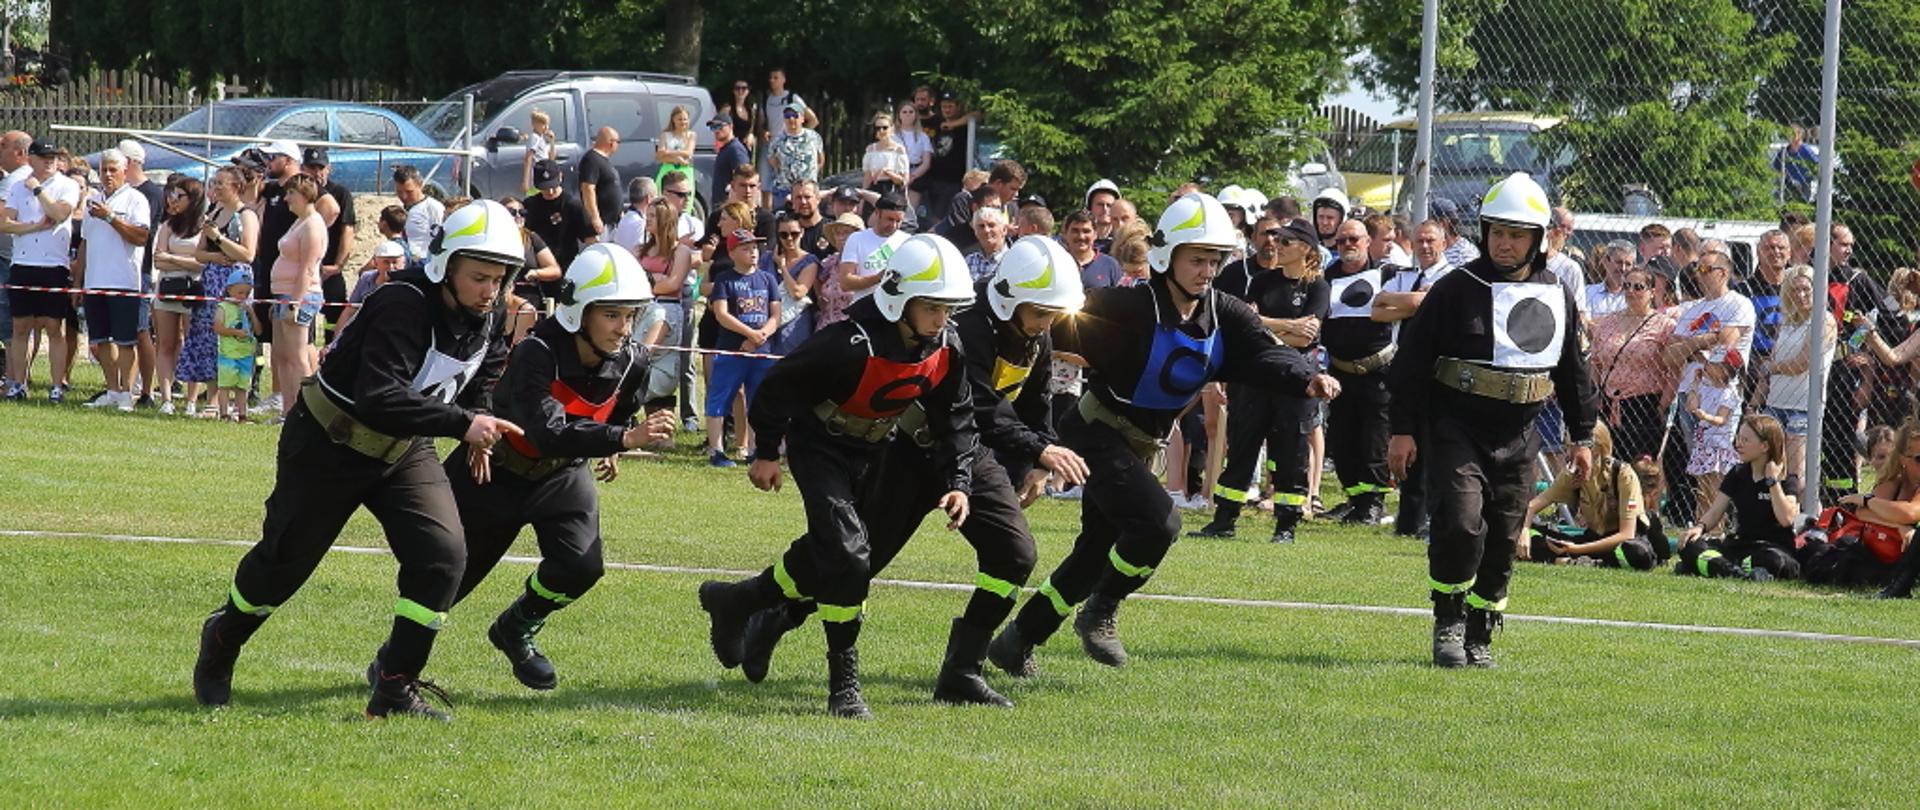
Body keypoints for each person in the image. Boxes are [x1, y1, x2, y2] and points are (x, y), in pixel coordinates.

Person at [192, 200, 527, 721]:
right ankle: (224, 636)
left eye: (499, 278)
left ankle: (395, 686)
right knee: (284, 565)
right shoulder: (402, 302)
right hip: (330, 441)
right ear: (444, 265)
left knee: (443, 557)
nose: (491, 290)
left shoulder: (494, 310)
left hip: (404, 448)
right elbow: (379, 395)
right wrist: (464, 424)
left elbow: (486, 370)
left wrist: (479, 416)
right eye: (480, 276)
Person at [988, 193, 1341, 676]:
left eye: (1215, 260)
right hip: (1095, 434)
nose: (1207, 270)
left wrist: (1307, 377)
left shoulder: (1227, 313)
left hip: (1142, 446)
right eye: (1196, 259)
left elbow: (1265, 353)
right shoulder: (1123, 307)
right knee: (1161, 523)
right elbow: (1052, 325)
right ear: (1165, 255)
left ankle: (1017, 640)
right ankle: (1103, 609)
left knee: (1093, 553)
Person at [736, 236, 1089, 708]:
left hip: (966, 455)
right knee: (855, 562)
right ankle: (776, 618)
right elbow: (979, 404)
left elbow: (1033, 402)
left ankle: (962, 672)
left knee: (1015, 554)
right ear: (1010, 299)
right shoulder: (964, 326)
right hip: (905, 452)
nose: (1050, 324)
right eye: (1042, 312)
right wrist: (1038, 450)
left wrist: (1034, 461)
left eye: (1053, 313)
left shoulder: (1035, 337)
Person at [696, 233, 980, 719]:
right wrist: (766, 453)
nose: (942, 320)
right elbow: (778, 389)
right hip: (820, 447)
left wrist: (959, 480)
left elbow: (956, 416)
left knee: (838, 551)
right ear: (899, 299)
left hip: (879, 449)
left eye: (948, 309)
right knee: (849, 556)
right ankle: (844, 686)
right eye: (932, 308)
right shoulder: (846, 342)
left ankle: (740, 600)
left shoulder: (947, 346)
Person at [1387, 173, 1597, 669]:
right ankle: (1449, 620)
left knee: (1505, 536)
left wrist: (1582, 435)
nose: (1505, 243)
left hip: (1520, 436)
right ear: (1484, 232)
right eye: (1497, 232)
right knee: (1460, 524)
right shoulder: (1454, 289)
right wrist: (1402, 431)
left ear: (1539, 239)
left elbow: (1573, 371)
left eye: (1517, 234)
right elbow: (1411, 364)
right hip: (1454, 428)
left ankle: (1481, 629)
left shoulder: (1557, 293)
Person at [448, 243, 674, 689]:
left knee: (581, 566)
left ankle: (514, 627)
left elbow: (619, 410)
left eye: (629, 316)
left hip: (563, 473)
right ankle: (395, 665)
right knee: (447, 579)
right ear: (578, 311)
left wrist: (613, 438)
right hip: (494, 468)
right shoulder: (538, 351)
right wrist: (622, 439)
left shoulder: (634, 360)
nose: (623, 328)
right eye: (611, 315)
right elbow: (545, 431)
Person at [1191, 216, 1329, 542]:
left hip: (1294, 379)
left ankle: (1286, 526)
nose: (1275, 246)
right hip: (1252, 374)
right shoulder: (1263, 281)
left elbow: (1307, 336)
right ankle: (1224, 520)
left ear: (1305, 248)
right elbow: (1247, 326)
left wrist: (1271, 327)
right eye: (1275, 240)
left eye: (1284, 242)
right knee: (1241, 448)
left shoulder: (1318, 286)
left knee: (1291, 451)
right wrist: (1288, 326)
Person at [1321, 219, 1396, 524]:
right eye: (1341, 241)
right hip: (1340, 372)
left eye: (1354, 239)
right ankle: (1355, 498)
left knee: (1374, 440)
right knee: (1341, 440)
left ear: (1368, 242)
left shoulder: (1389, 275)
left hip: (1377, 370)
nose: (1347, 245)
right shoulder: (1326, 277)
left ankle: (1373, 504)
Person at [1518, 423, 1667, 569]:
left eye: (1574, 447)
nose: (1569, 453)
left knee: (1637, 553)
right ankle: (1586, 561)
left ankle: (1578, 560)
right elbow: (1532, 506)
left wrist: (1576, 550)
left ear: (1596, 451)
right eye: (1568, 446)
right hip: (1592, 538)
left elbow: (1626, 534)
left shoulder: (1622, 474)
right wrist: (1524, 531)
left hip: (1620, 542)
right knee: (1518, 532)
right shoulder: (1572, 474)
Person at [1674, 414, 1800, 580]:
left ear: (1764, 446)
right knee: (1690, 546)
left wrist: (1772, 481)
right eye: (1738, 438)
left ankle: (1712, 566)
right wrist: (1699, 528)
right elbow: (1715, 511)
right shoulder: (1737, 473)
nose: (1738, 444)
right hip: (1740, 546)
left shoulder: (1786, 480)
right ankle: (1736, 572)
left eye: (1745, 440)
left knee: (1775, 561)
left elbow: (1786, 519)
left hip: (1772, 549)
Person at [1800, 420, 1920, 594]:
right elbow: (1863, 513)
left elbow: (1909, 512)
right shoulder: (1894, 481)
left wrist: (1867, 500)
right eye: (1919, 459)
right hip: (1882, 556)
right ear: (1903, 459)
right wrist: (1898, 526)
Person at [74, 148, 153, 412]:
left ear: (124, 171)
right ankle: (112, 389)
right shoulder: (92, 200)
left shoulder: (135, 199)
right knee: (101, 340)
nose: (107, 175)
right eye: (104, 169)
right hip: (95, 281)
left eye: (113, 170)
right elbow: (85, 242)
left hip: (124, 281)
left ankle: (127, 394)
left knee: (125, 341)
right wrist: (78, 281)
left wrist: (110, 217)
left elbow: (141, 237)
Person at [1, 138, 79, 401]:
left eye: (54, 157)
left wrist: (37, 190)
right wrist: (32, 227)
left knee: (53, 327)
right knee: (20, 326)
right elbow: (5, 223)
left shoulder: (66, 185)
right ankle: (19, 383)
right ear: (31, 158)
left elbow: (58, 213)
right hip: (23, 263)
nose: (50, 161)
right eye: (44, 156)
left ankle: (57, 386)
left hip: (53, 265)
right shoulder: (16, 187)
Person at [182, 166, 260, 416]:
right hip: (211, 280)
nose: (215, 188)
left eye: (220, 184)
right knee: (207, 338)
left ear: (236, 187)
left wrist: (220, 239)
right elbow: (199, 253)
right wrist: (215, 253)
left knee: (230, 339)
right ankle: (212, 399)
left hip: (235, 283)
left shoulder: (246, 215)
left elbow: (247, 254)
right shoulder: (214, 212)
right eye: (214, 184)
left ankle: (234, 402)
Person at [705, 230, 782, 466]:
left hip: (762, 350)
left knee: (759, 400)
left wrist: (761, 336)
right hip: (731, 349)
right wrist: (748, 334)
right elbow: (721, 313)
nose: (753, 253)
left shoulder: (767, 279)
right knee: (720, 396)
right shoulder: (725, 279)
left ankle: (756, 449)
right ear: (732, 253)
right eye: (746, 248)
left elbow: (775, 314)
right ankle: (716, 450)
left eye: (755, 248)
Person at [1589, 266, 1678, 462]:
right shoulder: (1608, 322)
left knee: (1639, 466)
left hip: (1645, 404)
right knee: (1607, 463)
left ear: (1652, 292)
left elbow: (1675, 371)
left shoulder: (1664, 325)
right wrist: (1596, 394)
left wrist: (1661, 406)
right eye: (1626, 286)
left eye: (1638, 287)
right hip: (1607, 402)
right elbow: (1595, 362)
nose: (1630, 291)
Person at [1765, 265, 1833, 491]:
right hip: (1775, 402)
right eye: (1795, 290)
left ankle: (1809, 520)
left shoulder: (1824, 321)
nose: (1801, 295)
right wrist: (1757, 401)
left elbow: (1802, 364)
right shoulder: (1786, 321)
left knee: (1797, 476)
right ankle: (1781, 520)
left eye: (1806, 289)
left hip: (1803, 404)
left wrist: (1771, 367)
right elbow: (1774, 361)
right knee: (1775, 470)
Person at [266, 174, 326, 421]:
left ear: (304, 195)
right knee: (282, 354)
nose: (286, 198)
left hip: (300, 295)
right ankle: (288, 411)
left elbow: (307, 268)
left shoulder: (313, 224)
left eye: (291, 193)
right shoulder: (299, 222)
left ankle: (307, 412)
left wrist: (295, 302)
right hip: (282, 294)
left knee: (297, 355)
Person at [151, 176, 206, 414]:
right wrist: (183, 262)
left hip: (193, 291)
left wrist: (173, 259)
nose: (173, 201)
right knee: (166, 343)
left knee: (192, 342)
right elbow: (158, 258)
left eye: (179, 196)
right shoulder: (168, 225)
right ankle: (166, 398)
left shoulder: (205, 225)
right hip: (167, 289)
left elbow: (202, 263)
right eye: (172, 195)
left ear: (192, 199)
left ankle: (191, 401)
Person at [301, 148, 355, 344]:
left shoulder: (340, 193)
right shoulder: (299, 194)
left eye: (320, 168)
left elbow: (347, 230)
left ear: (328, 169)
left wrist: (338, 265)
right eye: (311, 168)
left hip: (329, 268)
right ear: (302, 168)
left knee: (334, 318)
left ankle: (332, 354)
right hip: (305, 269)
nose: (316, 173)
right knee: (304, 321)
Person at [1685, 350, 1743, 518]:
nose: (1706, 366)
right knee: (1702, 491)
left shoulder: (1729, 393)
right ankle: (1700, 523)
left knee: (1715, 491)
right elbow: (1691, 406)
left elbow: (1722, 419)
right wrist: (1695, 385)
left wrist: (1706, 417)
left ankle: (1716, 528)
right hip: (1704, 445)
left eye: (1712, 364)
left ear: (1724, 370)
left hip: (1718, 448)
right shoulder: (1705, 387)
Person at [522, 159, 597, 277]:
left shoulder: (573, 205)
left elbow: (591, 241)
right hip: (539, 271)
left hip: (567, 268)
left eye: (553, 186)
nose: (550, 192)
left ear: (561, 177)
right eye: (545, 188)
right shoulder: (530, 205)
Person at [765, 211, 821, 356]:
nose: (789, 239)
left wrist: (782, 267)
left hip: (794, 325)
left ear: (802, 233)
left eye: (794, 234)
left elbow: (798, 293)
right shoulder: (766, 258)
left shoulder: (809, 261)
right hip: (766, 322)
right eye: (783, 235)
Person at [836, 192, 911, 299]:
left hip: (896, 309)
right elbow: (845, 283)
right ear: (877, 212)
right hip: (865, 308)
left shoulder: (907, 241)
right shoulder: (857, 239)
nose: (894, 225)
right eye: (889, 219)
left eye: (898, 221)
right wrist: (878, 278)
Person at [211, 267, 258, 422]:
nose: (243, 297)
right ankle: (224, 414)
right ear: (229, 290)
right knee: (224, 386)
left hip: (246, 354)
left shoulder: (247, 307)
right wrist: (236, 333)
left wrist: (251, 312)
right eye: (240, 293)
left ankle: (242, 415)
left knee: (242, 387)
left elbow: (258, 330)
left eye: (246, 293)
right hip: (228, 354)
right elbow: (218, 328)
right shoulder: (223, 307)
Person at [768, 101, 823, 209]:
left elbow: (820, 160)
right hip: (784, 191)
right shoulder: (777, 140)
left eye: (795, 115)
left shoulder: (814, 137)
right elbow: (773, 161)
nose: (791, 119)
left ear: (802, 118)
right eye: (787, 116)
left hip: (808, 190)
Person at [814, 212, 864, 327]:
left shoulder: (865, 264)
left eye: (846, 233)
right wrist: (819, 297)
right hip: (826, 327)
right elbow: (816, 277)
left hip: (854, 329)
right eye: (837, 233)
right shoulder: (829, 263)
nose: (841, 237)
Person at [393, 164, 444, 263]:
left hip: (423, 262)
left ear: (420, 185)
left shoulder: (433, 208)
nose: (404, 196)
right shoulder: (398, 207)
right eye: (399, 191)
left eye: (409, 192)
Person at [580, 126, 624, 236]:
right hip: (602, 223)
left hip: (613, 222)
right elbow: (588, 189)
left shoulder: (604, 160)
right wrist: (595, 217)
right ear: (611, 142)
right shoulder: (591, 159)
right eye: (618, 142)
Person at [896, 104, 933, 216]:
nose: (907, 115)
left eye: (911, 112)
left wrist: (912, 177)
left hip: (916, 174)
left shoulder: (923, 136)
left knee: (909, 212)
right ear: (899, 115)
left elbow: (926, 163)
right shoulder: (892, 135)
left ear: (916, 115)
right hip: (896, 174)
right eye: (904, 112)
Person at [862, 113, 910, 199]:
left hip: (892, 192)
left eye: (885, 127)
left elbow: (903, 181)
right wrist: (862, 200)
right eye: (877, 128)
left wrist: (886, 171)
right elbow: (867, 179)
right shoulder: (870, 149)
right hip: (874, 191)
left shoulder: (899, 150)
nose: (881, 131)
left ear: (892, 128)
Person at [709, 114, 749, 207]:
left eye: (719, 126)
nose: (716, 131)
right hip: (720, 205)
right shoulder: (726, 148)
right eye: (713, 127)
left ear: (731, 126)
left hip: (730, 206)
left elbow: (744, 176)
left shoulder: (735, 149)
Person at [962, 207, 1011, 282]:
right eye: (981, 226)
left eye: (991, 225)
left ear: (1004, 230)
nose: (986, 230)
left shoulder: (1013, 260)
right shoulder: (968, 262)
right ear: (975, 232)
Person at [608, 177, 653, 257]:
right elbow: (640, 254)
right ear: (648, 199)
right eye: (655, 196)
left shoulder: (624, 220)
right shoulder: (641, 224)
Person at [653, 110, 692, 194]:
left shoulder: (691, 135)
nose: (683, 122)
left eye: (685, 119)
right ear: (673, 120)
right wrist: (677, 159)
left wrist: (667, 152)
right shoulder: (665, 135)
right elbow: (659, 155)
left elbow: (688, 153)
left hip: (684, 172)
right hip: (667, 171)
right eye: (680, 119)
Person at [520, 108, 557, 196]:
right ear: (534, 124)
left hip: (544, 175)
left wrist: (552, 142)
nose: (546, 127)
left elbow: (551, 158)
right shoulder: (534, 138)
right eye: (543, 124)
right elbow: (528, 158)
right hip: (535, 178)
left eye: (547, 124)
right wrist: (526, 180)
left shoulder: (542, 139)